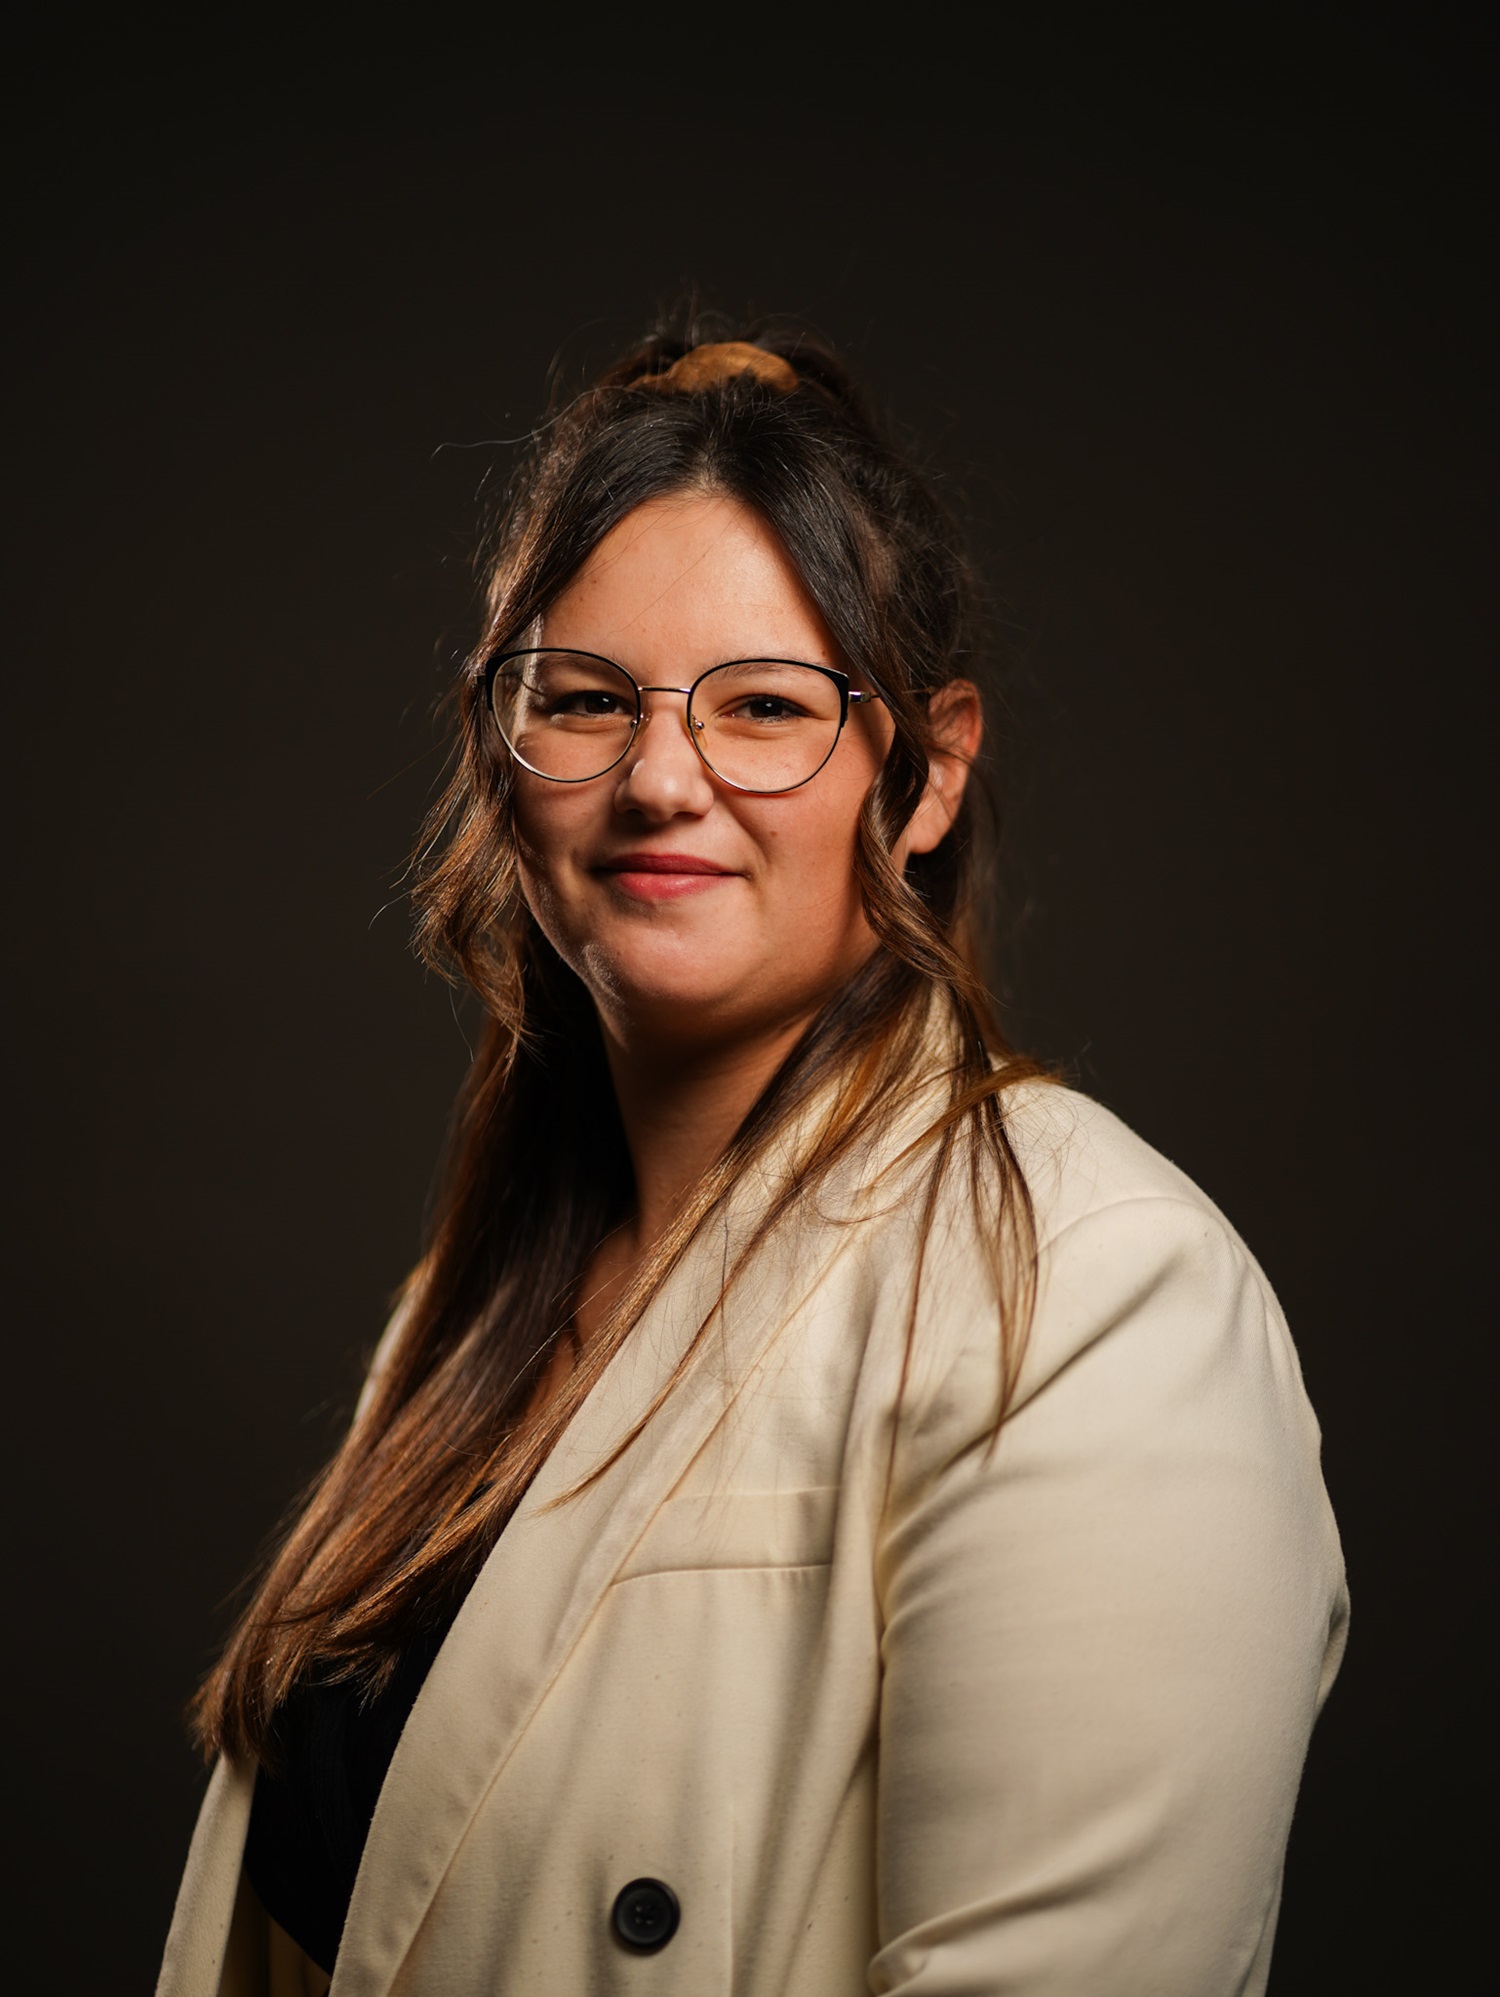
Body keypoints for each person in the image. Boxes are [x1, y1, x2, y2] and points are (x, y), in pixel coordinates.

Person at [158, 324, 1348, 1997]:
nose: (660, 779)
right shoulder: (462, 1312)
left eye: (767, 706)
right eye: (586, 699)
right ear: (502, 741)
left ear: (926, 772)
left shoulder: (1093, 1291)